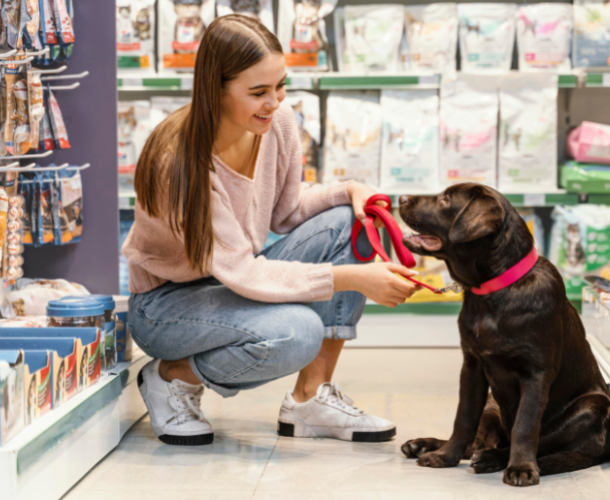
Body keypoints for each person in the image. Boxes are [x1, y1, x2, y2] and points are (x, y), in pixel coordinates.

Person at [122, 14, 420, 446]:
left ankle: (309, 399)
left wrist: (351, 190)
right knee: (297, 332)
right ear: (215, 90)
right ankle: (172, 377)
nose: (275, 101)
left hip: (232, 281)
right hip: (166, 307)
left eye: (280, 85)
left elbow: (286, 212)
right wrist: (354, 279)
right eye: (258, 92)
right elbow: (244, 272)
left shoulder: (274, 123)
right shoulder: (180, 164)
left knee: (351, 222)